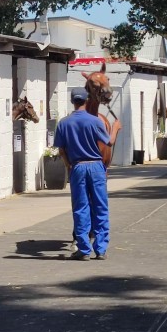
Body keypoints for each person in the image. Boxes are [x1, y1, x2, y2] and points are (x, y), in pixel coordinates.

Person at [54, 88, 121, 261]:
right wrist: (115, 128)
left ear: (72, 101)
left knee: (80, 208)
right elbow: (110, 142)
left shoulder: (63, 123)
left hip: (78, 166)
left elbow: (61, 150)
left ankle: (83, 249)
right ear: (86, 100)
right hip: (96, 166)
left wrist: (70, 166)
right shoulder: (95, 121)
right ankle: (100, 249)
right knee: (100, 206)